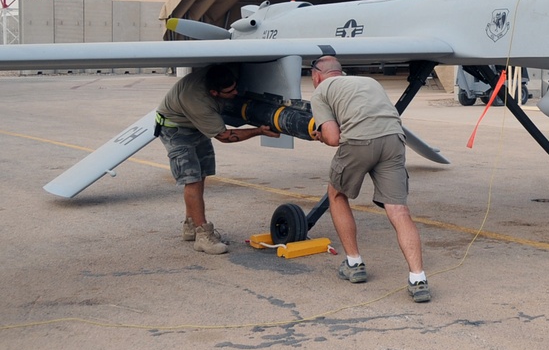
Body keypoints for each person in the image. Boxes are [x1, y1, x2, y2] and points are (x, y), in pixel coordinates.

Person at [309, 55, 431, 303]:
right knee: (399, 210)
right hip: (394, 140)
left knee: (336, 194)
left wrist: (320, 135)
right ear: (340, 72)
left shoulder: (321, 91)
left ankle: (354, 264)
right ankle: (418, 279)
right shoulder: (369, 81)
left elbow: (333, 138)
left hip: (360, 141)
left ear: (316, 76)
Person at [156, 64, 279, 254]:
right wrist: (258, 131)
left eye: (235, 87)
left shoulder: (228, 72)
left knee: (202, 174)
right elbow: (225, 136)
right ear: (214, 92)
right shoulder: (197, 101)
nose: (236, 92)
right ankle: (203, 235)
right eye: (230, 91)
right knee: (192, 179)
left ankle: (191, 225)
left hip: (196, 126)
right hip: (175, 130)